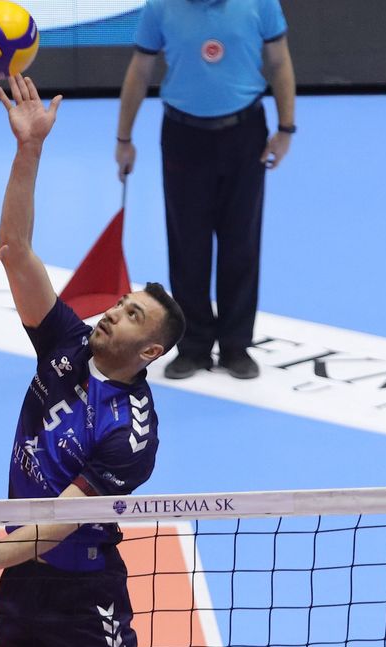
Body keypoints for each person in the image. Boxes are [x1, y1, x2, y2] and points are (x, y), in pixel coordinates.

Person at [0, 76, 185, 647]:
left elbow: (56, 522)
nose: (113, 312)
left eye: (133, 315)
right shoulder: (67, 342)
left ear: (151, 351)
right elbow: (15, 252)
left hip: (83, 593)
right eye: (122, 303)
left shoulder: (132, 434)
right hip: (21, 581)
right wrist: (29, 148)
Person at [115, 0, 296, 380]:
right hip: (183, 137)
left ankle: (235, 346)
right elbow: (140, 70)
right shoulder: (160, 7)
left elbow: (279, 62)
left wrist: (285, 128)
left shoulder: (260, 3)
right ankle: (193, 346)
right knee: (187, 245)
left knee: (241, 241)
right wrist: (124, 139)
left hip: (244, 134)